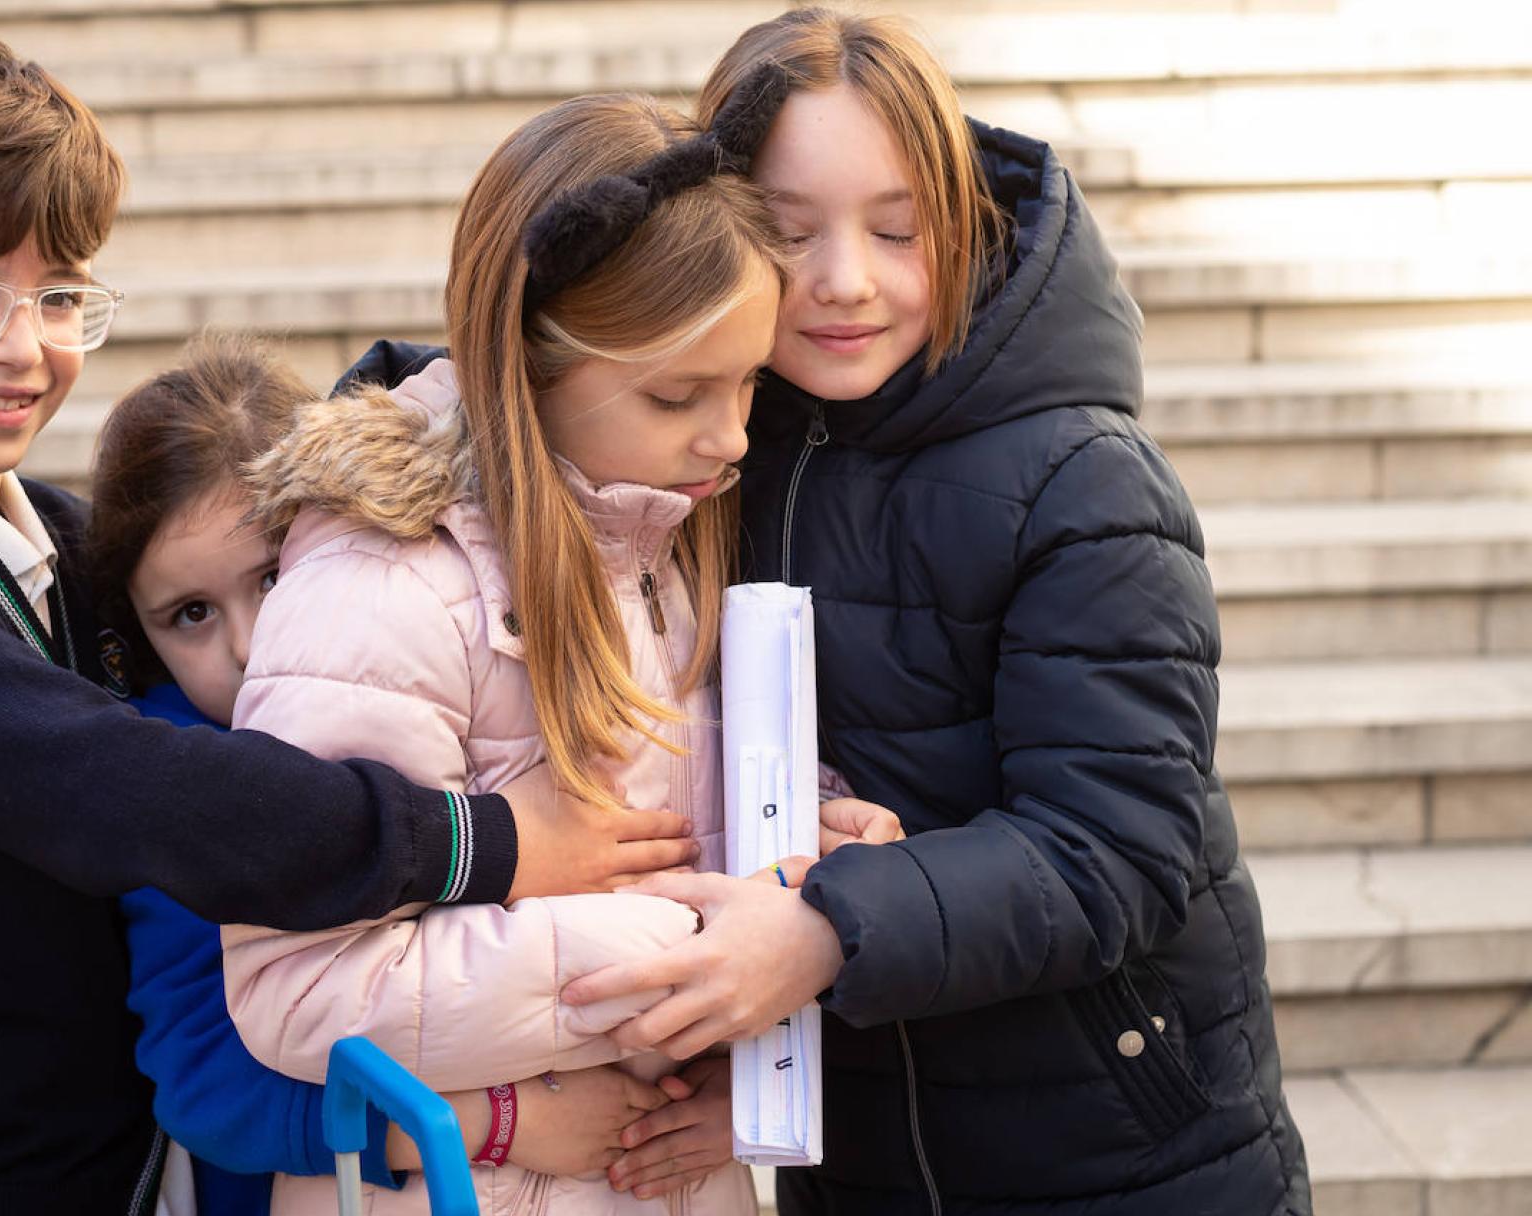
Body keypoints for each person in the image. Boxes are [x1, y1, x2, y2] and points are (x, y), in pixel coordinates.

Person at [0, 31, 696, 1213]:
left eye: (57, 294)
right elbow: (130, 787)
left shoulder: (53, 533)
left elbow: (274, 531)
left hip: (126, 1163)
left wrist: (470, 402)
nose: (21, 342)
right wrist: (485, 842)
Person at [557, 9, 1312, 1214]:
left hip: (1116, 1150)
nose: (846, 279)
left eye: (899, 229)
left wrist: (822, 932)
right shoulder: (721, 450)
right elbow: (541, 364)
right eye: (788, 233)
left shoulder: (1080, 479)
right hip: (859, 1153)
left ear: (961, 220)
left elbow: (1119, 844)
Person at [209, 90, 798, 1214]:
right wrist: (669, 954)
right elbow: (292, 985)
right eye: (679, 393)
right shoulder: (381, 586)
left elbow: (677, 806)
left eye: (749, 384)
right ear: (527, 362)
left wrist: (815, 841)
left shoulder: (666, 536)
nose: (729, 438)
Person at [86, 329, 690, 1212]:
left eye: (271, 577)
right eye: (188, 614)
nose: (247, 645)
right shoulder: (177, 784)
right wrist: (488, 1119)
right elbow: (208, 1081)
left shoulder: (416, 668)